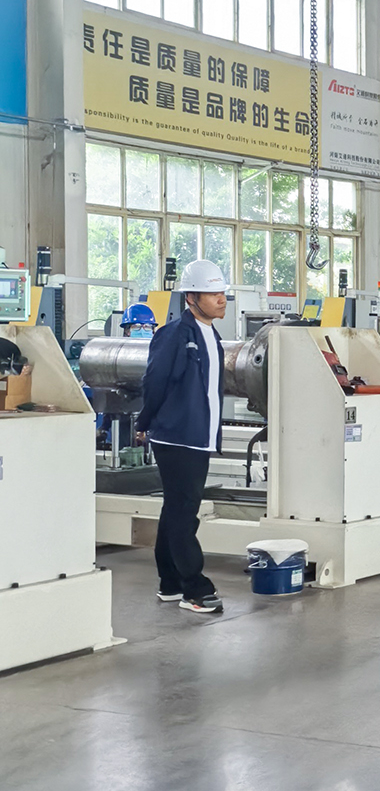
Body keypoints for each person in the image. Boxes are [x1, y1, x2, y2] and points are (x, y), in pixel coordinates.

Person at [137, 260, 228, 615]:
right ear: (191, 298)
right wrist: (145, 421)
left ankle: (170, 582)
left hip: (199, 436)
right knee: (184, 511)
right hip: (177, 436)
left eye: (222, 293)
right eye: (212, 293)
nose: (221, 299)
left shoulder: (211, 335)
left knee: (176, 508)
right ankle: (195, 588)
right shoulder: (175, 334)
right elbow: (155, 381)